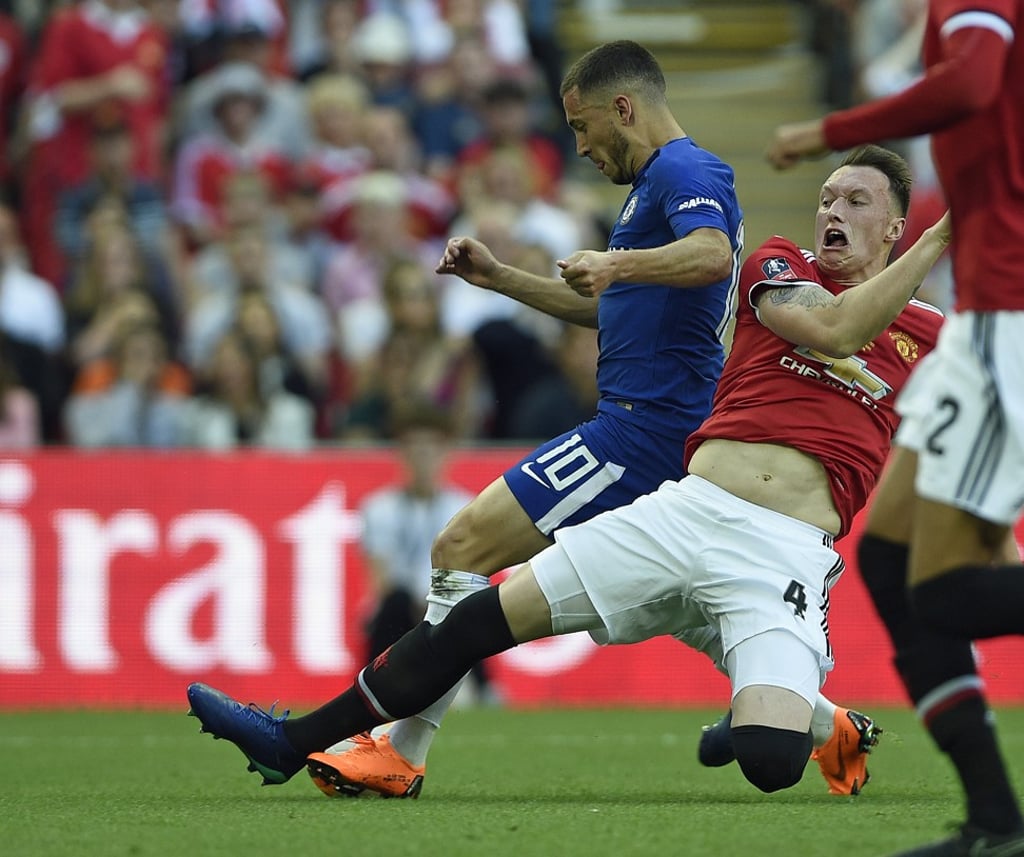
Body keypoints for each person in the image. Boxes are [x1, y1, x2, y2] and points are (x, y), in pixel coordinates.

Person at [186, 145, 948, 802]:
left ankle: (798, 720)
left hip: (784, 551)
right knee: (478, 618)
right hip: (688, 511)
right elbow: (836, 326)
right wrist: (954, 228)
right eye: (826, 197)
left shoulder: (935, 338)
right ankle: (291, 741)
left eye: (856, 200)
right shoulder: (779, 265)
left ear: (893, 227)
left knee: (769, 764)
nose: (832, 211)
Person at [767, 3, 1024, 854]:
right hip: (986, 310)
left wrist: (828, 131)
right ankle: (993, 820)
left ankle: (995, 819)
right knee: (891, 559)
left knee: (945, 589)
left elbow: (973, 81)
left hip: (1008, 317)